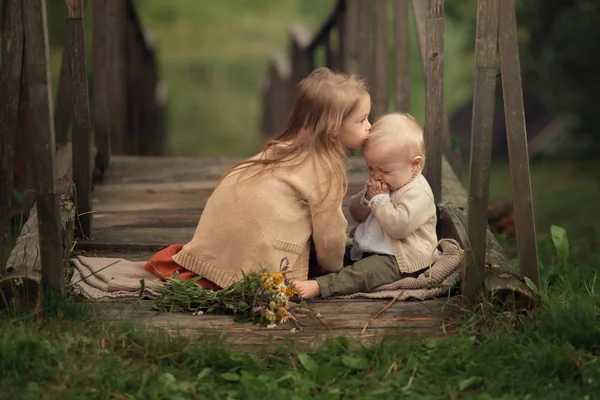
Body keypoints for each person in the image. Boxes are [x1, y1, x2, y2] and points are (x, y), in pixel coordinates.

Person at [143, 67, 372, 289]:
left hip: (213, 251)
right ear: (333, 128)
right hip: (255, 268)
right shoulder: (324, 169)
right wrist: (333, 269)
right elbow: (330, 238)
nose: (369, 126)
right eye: (362, 120)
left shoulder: (283, 149)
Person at [293, 112, 440, 299]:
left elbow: (399, 227)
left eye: (385, 170)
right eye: (370, 167)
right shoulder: (386, 183)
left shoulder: (418, 192)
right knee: (335, 252)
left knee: (363, 274)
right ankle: (304, 267)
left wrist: (379, 201)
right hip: (367, 250)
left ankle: (321, 286)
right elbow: (355, 213)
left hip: (400, 261)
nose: (376, 175)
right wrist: (367, 198)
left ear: (415, 164)